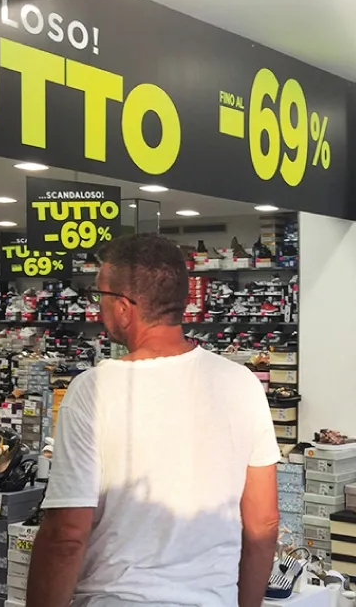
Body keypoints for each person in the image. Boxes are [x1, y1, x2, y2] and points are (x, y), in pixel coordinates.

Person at [27, 234, 281, 607]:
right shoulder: (242, 382)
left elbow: (66, 535)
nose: (98, 307)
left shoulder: (93, 389)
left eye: (100, 296)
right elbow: (263, 523)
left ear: (124, 308)